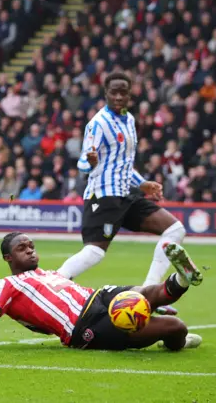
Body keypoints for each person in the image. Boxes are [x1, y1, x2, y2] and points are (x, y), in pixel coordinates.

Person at [59, 71, 187, 315]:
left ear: (130, 94)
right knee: (94, 253)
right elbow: (83, 165)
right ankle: (54, 285)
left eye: (123, 92)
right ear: (105, 93)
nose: (118, 96)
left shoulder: (128, 120)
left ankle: (150, 294)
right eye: (113, 92)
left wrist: (142, 184)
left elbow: (122, 163)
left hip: (126, 195)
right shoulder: (97, 123)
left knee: (175, 229)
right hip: (103, 196)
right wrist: (91, 161)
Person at [0, 232, 204, 351]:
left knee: (145, 292)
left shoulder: (49, 273)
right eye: (21, 248)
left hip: (98, 296)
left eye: (31, 246)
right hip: (85, 325)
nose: (30, 251)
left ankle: (182, 279)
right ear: (8, 257)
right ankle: (176, 341)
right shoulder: (8, 284)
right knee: (175, 326)